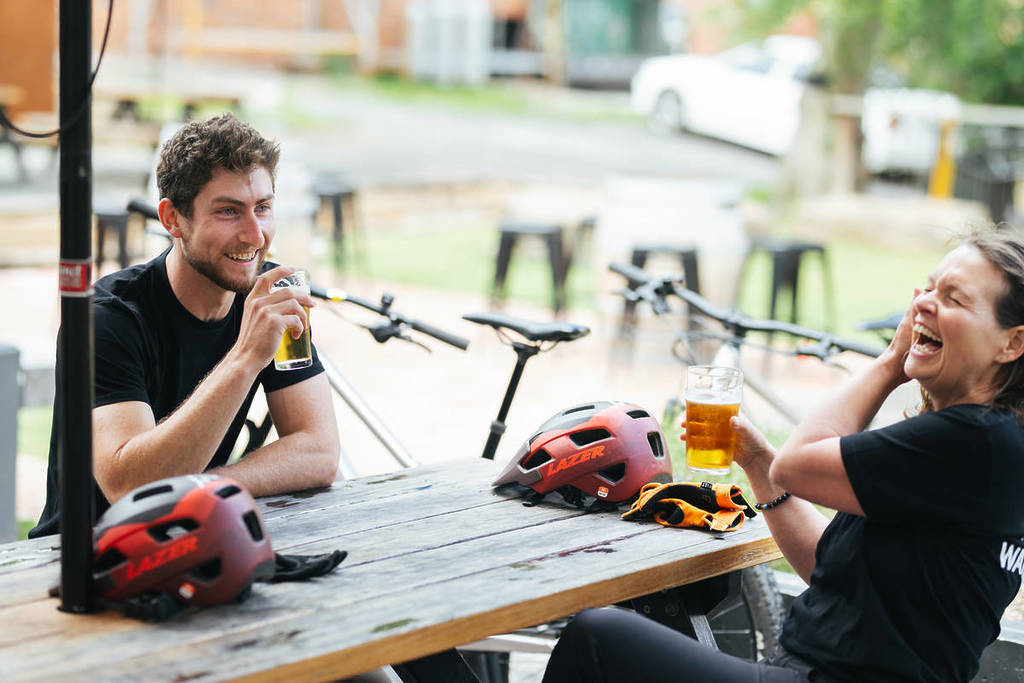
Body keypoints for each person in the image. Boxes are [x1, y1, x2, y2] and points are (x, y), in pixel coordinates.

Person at [541, 229, 1024, 683]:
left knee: (598, 639)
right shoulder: (985, 447)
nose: (922, 303)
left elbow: (796, 465)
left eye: (953, 298)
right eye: (927, 288)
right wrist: (758, 463)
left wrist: (887, 365)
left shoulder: (974, 440)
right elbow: (829, 570)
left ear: (1013, 342)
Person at [30, 113, 340, 538]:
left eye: (263, 208)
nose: (256, 235)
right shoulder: (106, 317)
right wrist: (246, 358)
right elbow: (129, 486)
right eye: (229, 212)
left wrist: (205, 487)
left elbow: (319, 451)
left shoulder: (270, 295)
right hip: (83, 561)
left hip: (193, 540)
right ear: (172, 219)